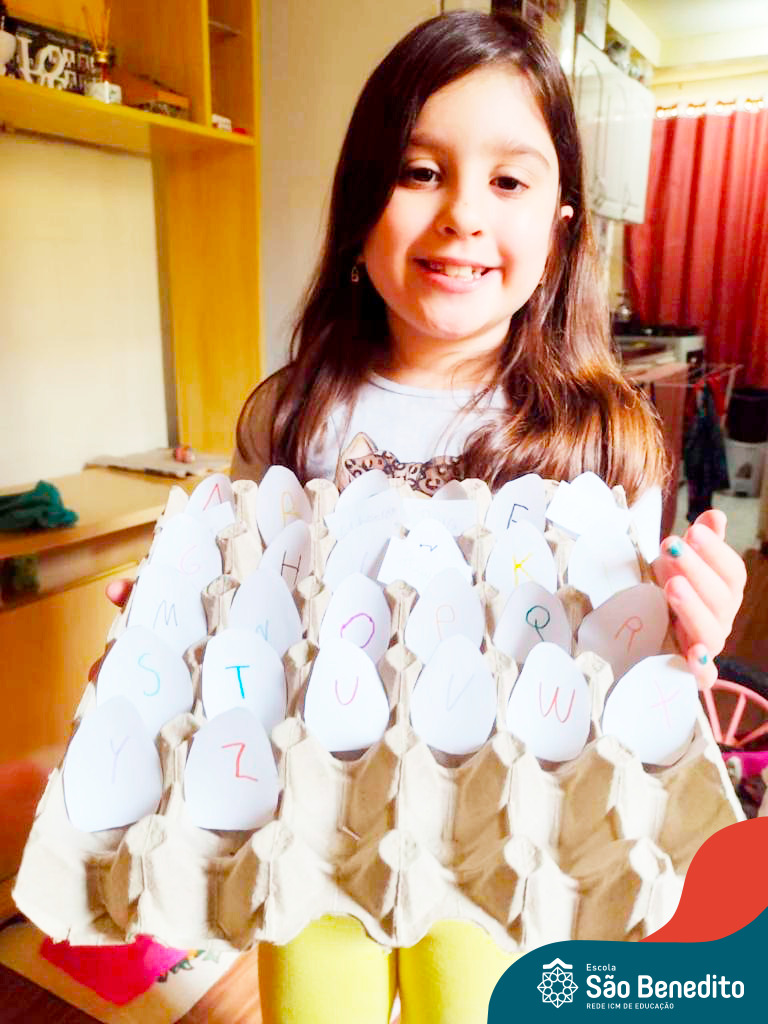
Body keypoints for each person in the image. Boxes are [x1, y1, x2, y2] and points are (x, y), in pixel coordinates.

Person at [115, 10, 746, 1023]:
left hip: (499, 833)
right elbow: (245, 618)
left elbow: (621, 657)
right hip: (317, 821)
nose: (462, 214)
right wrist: (172, 631)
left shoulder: (600, 438)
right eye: (420, 172)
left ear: (561, 225)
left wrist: (690, 629)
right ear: (360, 204)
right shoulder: (292, 414)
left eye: (509, 181)